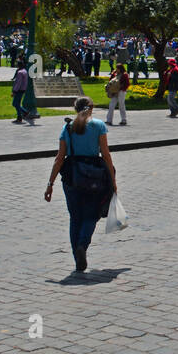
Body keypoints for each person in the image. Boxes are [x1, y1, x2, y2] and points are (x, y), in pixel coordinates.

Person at [44, 96, 116, 273]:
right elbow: (105, 155)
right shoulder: (98, 126)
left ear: (75, 109)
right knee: (91, 215)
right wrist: (113, 180)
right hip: (94, 176)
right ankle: (82, 245)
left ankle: (77, 257)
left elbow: (60, 157)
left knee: (75, 217)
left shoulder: (67, 128)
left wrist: (50, 183)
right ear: (91, 108)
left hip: (72, 176)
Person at [11, 59, 30, 124]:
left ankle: (21, 116)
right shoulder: (25, 71)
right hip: (23, 89)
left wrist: (14, 91)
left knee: (15, 104)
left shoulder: (20, 72)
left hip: (18, 90)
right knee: (17, 104)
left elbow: (18, 83)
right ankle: (24, 112)